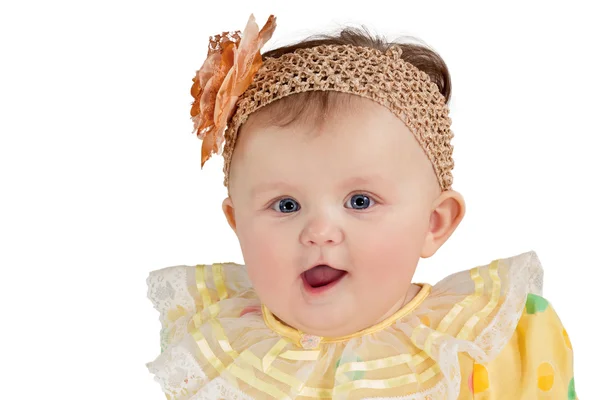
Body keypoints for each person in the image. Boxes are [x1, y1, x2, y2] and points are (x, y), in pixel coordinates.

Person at [145, 14, 577, 400]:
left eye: (360, 201)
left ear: (433, 223)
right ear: (237, 224)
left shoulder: (490, 344)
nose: (319, 231)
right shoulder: (217, 352)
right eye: (286, 204)